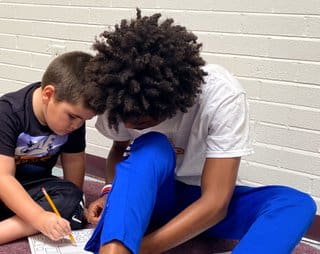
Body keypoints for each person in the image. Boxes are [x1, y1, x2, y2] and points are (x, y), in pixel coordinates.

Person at [84, 9, 316, 254]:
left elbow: (215, 203)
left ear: (169, 100)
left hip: (202, 201)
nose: (128, 126)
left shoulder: (221, 95)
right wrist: (112, 193)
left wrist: (142, 249)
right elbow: (120, 150)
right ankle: (115, 247)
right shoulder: (117, 96)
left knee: (295, 205)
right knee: (152, 146)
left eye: (139, 120)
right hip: (150, 198)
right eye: (123, 118)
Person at [0, 51, 107, 244]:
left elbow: (74, 160)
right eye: (73, 117)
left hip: (34, 186)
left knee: (72, 199)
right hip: (4, 181)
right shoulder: (8, 112)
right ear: (48, 94)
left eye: (84, 120)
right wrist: (40, 218)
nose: (76, 125)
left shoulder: (75, 121)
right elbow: (4, 177)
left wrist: (75, 204)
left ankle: (21, 220)